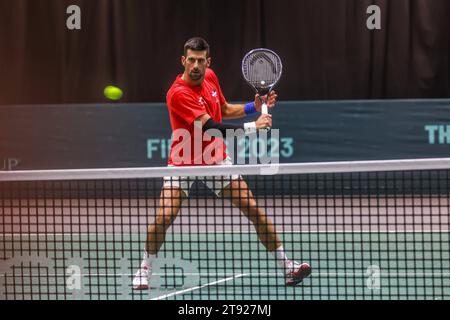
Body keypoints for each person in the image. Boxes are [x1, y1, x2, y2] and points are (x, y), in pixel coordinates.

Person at [133, 37, 311, 290]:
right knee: (165, 217)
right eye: (191, 60)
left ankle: (288, 266)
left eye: (201, 60)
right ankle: (144, 269)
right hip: (183, 162)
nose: (196, 65)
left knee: (252, 208)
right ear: (183, 61)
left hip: (215, 159)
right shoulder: (177, 94)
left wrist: (254, 106)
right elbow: (212, 128)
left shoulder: (210, 77)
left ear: (208, 61)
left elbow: (223, 109)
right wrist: (253, 126)